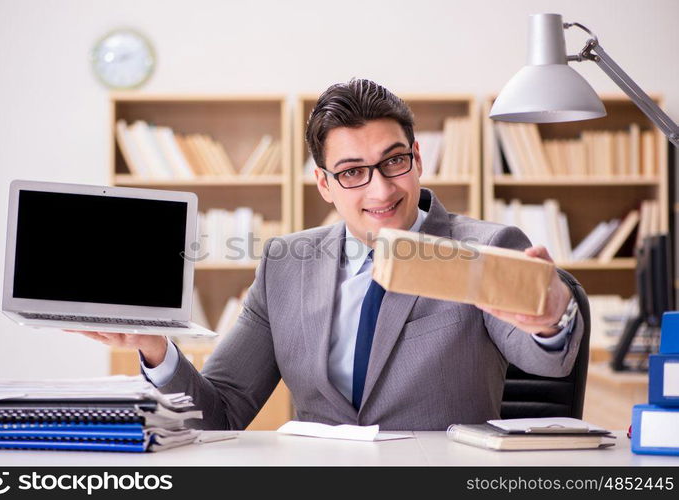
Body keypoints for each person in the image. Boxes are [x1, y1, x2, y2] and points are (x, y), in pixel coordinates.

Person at [74, 79, 585, 430]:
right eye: (352, 172)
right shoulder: (284, 265)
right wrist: (155, 349)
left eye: (395, 161)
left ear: (418, 159)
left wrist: (548, 317)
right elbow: (221, 413)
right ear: (323, 183)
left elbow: (548, 357)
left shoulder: (485, 247)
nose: (381, 190)